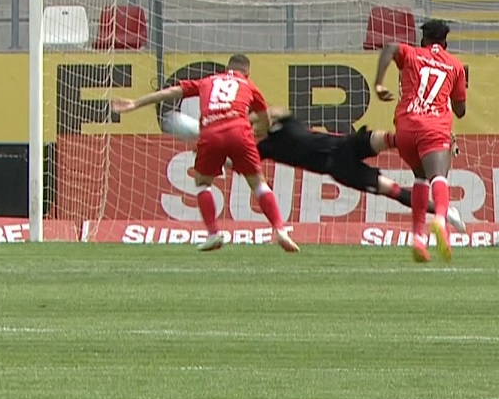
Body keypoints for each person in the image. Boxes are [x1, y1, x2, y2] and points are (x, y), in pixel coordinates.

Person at [161, 108, 467, 233]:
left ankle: (433, 143)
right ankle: (443, 211)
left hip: (343, 145)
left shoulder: (281, 124)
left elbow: (273, 111)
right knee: (392, 189)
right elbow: (231, 162)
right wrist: (206, 146)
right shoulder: (259, 150)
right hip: (337, 168)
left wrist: (246, 122)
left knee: (387, 139)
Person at [112, 54, 299, 254]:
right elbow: (265, 120)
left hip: (210, 133)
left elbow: (172, 92)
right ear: (247, 72)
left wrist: (136, 103)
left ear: (226, 69)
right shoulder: (249, 86)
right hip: (239, 132)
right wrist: (251, 133)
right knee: (259, 184)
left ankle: (213, 233)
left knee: (203, 183)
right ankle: (280, 230)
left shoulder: (207, 81)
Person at [373, 20, 467, 263]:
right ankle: (439, 220)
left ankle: (418, 238)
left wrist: (379, 84)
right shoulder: (455, 66)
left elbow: (391, 46)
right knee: (438, 177)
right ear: (445, 43)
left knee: (420, 178)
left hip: (405, 128)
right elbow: (460, 110)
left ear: (422, 40)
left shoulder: (412, 54)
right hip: (433, 128)